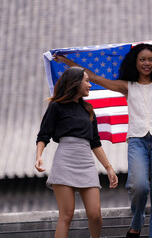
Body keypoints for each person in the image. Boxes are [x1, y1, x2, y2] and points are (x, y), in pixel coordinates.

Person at [54, 44, 152, 238]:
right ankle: (137, 222)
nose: (147, 63)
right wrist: (67, 62)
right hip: (137, 141)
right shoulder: (127, 86)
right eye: (142, 60)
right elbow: (93, 77)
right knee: (139, 186)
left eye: (151, 60)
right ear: (134, 63)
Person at [35, 66, 118, 238]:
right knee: (66, 215)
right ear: (75, 82)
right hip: (64, 161)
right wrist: (39, 157)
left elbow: (95, 142)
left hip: (86, 162)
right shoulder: (56, 106)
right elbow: (44, 134)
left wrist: (108, 167)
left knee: (95, 215)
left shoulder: (88, 110)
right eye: (87, 81)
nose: (90, 85)